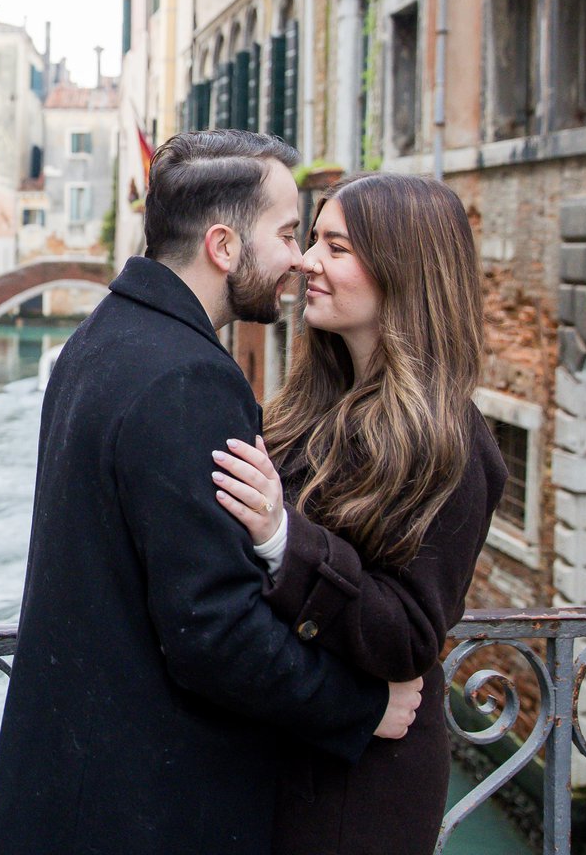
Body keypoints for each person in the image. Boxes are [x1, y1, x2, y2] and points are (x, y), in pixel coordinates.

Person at [0, 132, 424, 855]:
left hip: (65, 789)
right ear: (223, 245)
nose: (298, 260)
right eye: (286, 233)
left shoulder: (97, 341)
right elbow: (213, 633)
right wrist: (360, 705)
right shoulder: (190, 378)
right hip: (147, 813)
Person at [211, 173, 508, 855]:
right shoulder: (301, 412)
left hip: (356, 792)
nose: (307, 261)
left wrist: (284, 539)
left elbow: (409, 635)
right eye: (311, 240)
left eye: (335, 247)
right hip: (274, 755)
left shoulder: (453, 444)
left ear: (403, 272)